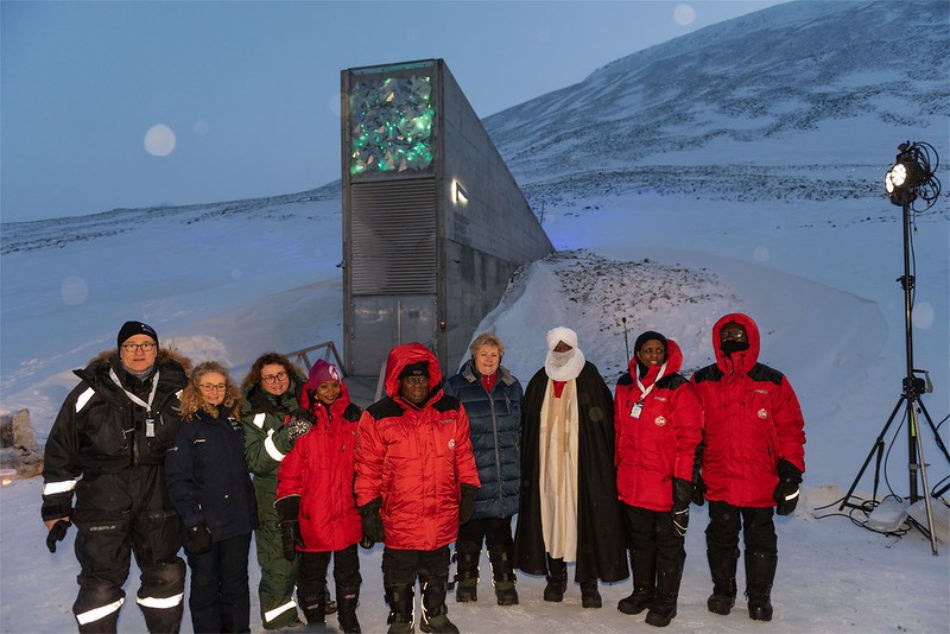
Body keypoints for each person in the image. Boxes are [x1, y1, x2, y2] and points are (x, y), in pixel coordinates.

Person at [41, 321, 189, 633]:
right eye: (131, 345)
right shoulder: (91, 391)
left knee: (165, 576)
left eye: (146, 345)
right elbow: (61, 449)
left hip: (159, 499)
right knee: (100, 585)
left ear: (156, 350)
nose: (139, 351)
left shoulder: (177, 389)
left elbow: (203, 440)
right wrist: (56, 507)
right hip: (103, 502)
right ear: (119, 352)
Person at [354, 343, 480, 634]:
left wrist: (469, 489)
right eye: (411, 380)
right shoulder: (377, 416)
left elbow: (464, 453)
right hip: (399, 512)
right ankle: (401, 617)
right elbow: (367, 466)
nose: (417, 386)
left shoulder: (451, 409)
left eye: (422, 379)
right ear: (398, 382)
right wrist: (368, 506)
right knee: (399, 568)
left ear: (431, 379)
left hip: (441, 507)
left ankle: (434, 613)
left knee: (437, 565)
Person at [690, 313, 806, 622]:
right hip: (720, 479)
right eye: (726, 333)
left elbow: (790, 430)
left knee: (761, 542)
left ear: (751, 338)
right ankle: (723, 592)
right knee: (721, 540)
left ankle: (759, 598)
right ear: (718, 339)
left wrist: (791, 474)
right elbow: (690, 429)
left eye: (739, 334)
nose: (733, 339)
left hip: (761, 481)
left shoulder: (773, 380)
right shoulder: (703, 381)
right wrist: (692, 471)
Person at [514, 327, 628, 608]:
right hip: (548, 467)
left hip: (583, 465)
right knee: (551, 518)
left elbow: (604, 426)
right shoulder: (540, 380)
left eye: (566, 348)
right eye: (558, 348)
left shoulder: (588, 376)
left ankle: (588, 583)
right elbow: (527, 426)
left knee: (584, 518)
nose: (562, 354)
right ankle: (556, 577)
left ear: (575, 347)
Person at [614, 331, 703, 627]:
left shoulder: (678, 388)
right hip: (633, 484)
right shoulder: (625, 386)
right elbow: (618, 433)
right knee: (639, 543)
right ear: (637, 354)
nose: (653, 354)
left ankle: (666, 601)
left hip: (665, 487)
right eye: (647, 349)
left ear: (666, 353)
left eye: (658, 349)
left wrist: (683, 486)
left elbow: (690, 440)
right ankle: (643, 592)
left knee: (668, 547)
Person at [240, 352, 333, 629]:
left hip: (311, 488)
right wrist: (290, 433)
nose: (276, 381)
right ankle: (279, 615)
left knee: (313, 549)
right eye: (269, 377)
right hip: (273, 492)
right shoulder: (253, 410)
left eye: (280, 375)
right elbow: (256, 459)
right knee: (281, 556)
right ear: (259, 380)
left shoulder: (308, 397)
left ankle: (313, 597)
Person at [165, 361, 258, 633]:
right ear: (196, 389)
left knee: (236, 585)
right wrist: (193, 522)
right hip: (205, 524)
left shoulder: (234, 419)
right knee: (205, 586)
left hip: (237, 522)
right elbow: (177, 478)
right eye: (208, 386)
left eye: (220, 385)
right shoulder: (186, 426)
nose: (215, 391)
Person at [275, 360, 364, 633]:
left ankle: (349, 618)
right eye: (323, 386)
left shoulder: (353, 417)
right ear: (312, 389)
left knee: (348, 572)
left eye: (335, 385)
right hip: (313, 514)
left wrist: (369, 507)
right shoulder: (300, 421)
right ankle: (316, 624)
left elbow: (365, 463)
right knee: (311, 574)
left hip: (347, 511)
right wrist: (289, 517)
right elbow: (290, 471)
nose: (330, 391)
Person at [442, 333, 523, 606]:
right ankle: (466, 580)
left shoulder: (511, 387)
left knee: (501, 531)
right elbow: (446, 431)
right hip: (471, 471)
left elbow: (521, 428)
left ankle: (505, 581)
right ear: (473, 356)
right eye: (483, 354)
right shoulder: (455, 387)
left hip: (503, 471)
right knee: (470, 531)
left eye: (494, 355)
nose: (489, 359)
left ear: (500, 357)